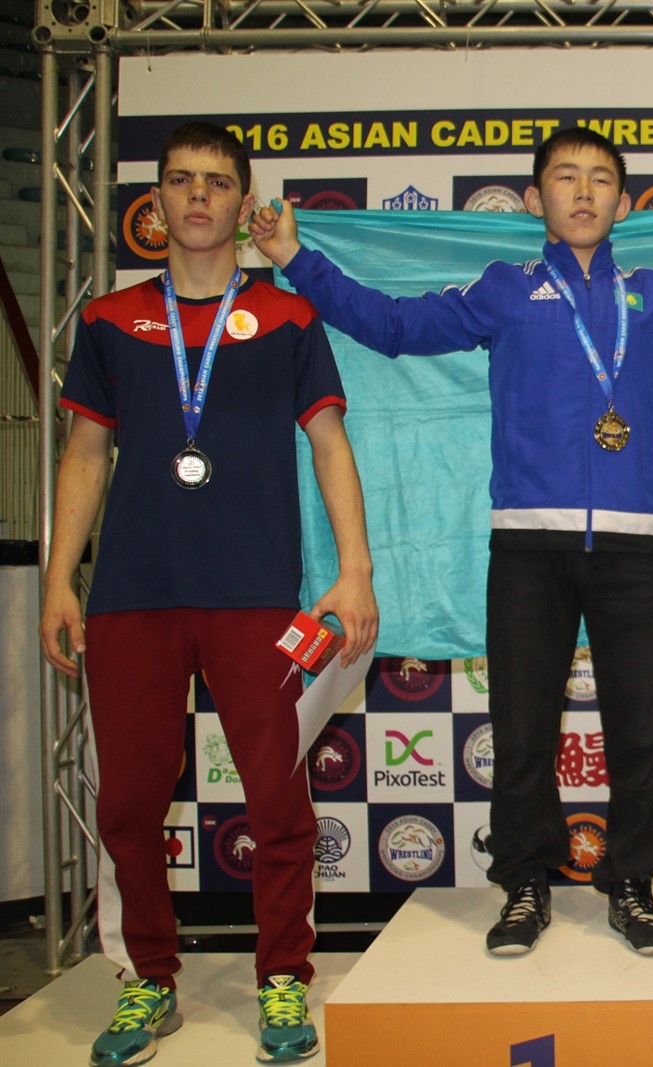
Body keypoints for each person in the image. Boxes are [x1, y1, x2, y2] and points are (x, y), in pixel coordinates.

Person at [250, 126, 653, 959]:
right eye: (566, 177)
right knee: (523, 724)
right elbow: (392, 324)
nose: (583, 191)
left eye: (600, 179)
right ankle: (525, 881)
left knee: (642, 727)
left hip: (635, 547)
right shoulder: (505, 289)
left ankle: (632, 882)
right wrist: (294, 257)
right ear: (536, 200)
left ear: (624, 203)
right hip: (527, 548)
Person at [39, 121, 378, 1066]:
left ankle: (283, 977)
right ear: (154, 201)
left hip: (256, 594)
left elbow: (330, 444)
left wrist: (354, 569)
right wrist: (60, 576)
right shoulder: (110, 320)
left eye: (218, 182)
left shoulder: (286, 318)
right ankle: (148, 978)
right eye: (182, 180)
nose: (199, 196)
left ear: (242, 202)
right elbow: (85, 454)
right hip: (132, 595)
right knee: (127, 803)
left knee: (276, 800)